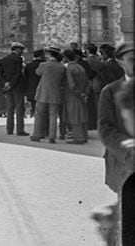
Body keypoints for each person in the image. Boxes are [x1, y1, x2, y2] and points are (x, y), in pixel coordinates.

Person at [98, 41, 135, 246]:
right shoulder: (110, 91)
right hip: (125, 163)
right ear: (121, 62)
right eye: (132, 60)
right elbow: (106, 130)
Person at [31, 46, 66, 144]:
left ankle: (37, 135)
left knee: (39, 114)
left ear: (49, 54)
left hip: (43, 92)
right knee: (53, 115)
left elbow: (37, 73)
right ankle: (52, 136)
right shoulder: (62, 67)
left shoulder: (43, 64)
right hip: (56, 93)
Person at [0, 42, 28, 136]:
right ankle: (20, 130)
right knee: (19, 108)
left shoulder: (4, 59)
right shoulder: (18, 59)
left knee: (10, 108)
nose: (22, 51)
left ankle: (9, 129)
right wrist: (11, 83)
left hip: (7, 87)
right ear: (17, 49)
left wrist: (5, 83)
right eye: (21, 50)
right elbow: (18, 73)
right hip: (17, 87)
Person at [64, 48, 90, 144]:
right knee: (82, 115)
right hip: (83, 94)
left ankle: (79, 137)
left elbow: (71, 85)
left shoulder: (69, 69)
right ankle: (84, 135)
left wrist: (79, 93)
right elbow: (88, 82)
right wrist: (85, 94)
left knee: (75, 116)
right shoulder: (81, 67)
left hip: (73, 96)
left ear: (66, 58)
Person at [25, 49, 44, 118]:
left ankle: (32, 111)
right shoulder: (44, 64)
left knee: (33, 101)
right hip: (43, 87)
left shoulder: (29, 65)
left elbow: (26, 78)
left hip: (31, 87)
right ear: (42, 56)